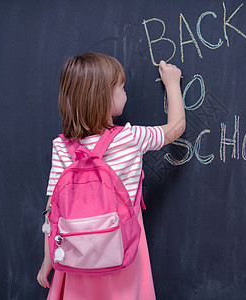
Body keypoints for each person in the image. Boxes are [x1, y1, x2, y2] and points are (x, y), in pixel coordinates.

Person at [36, 52, 185, 299]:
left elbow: (52, 209)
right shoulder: (131, 138)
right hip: (123, 252)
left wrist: (49, 259)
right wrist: (172, 83)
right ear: (105, 97)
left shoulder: (61, 146)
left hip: (76, 255)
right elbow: (176, 128)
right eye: (122, 87)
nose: (126, 93)